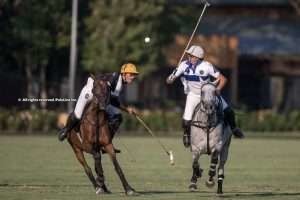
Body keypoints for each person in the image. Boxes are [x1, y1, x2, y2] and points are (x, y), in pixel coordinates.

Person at [166, 45, 244, 148]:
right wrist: (171, 78)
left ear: (198, 57)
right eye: (189, 55)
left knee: (228, 111)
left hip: (208, 94)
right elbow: (169, 80)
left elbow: (223, 79)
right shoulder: (183, 65)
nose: (190, 58)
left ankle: (234, 129)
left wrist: (218, 89)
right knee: (186, 121)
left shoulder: (207, 66)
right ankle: (186, 135)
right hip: (192, 95)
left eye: (192, 56)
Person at [58, 63, 139, 152]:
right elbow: (111, 99)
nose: (133, 76)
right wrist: (126, 109)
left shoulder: (119, 83)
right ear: (124, 74)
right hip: (90, 90)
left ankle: (106, 142)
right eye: (131, 74)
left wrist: (127, 109)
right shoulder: (115, 79)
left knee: (116, 117)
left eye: (134, 75)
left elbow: (113, 100)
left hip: (100, 97)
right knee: (78, 114)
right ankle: (66, 130)